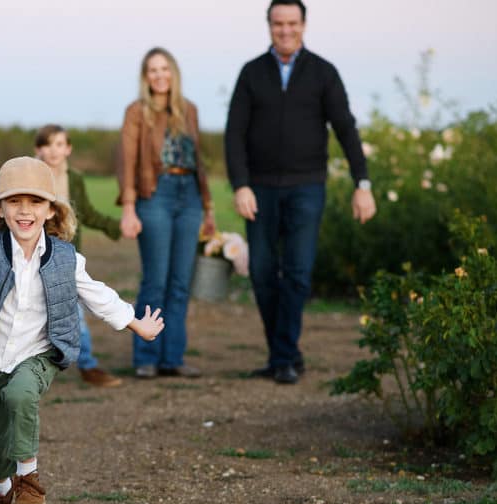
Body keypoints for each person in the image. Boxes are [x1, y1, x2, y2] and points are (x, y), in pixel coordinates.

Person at [0, 157, 164, 504]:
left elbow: (96, 294)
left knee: (22, 393)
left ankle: (30, 478)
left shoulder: (64, 258)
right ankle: (1, 491)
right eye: (15, 202)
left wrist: (135, 322)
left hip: (39, 353)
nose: (25, 211)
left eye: (35, 202)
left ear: (51, 210)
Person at [224, 0, 376, 385]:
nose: (286, 30)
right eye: (278, 24)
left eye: (292, 23)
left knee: (297, 272)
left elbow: (346, 128)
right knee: (260, 271)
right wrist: (240, 184)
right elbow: (234, 134)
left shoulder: (323, 73)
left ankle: (284, 357)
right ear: (269, 26)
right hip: (258, 189)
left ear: (304, 25)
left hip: (307, 187)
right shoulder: (251, 73)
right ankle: (285, 354)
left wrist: (363, 184)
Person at [117, 46, 216, 379]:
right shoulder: (136, 112)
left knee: (180, 283)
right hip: (154, 195)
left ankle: (172, 358)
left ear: (174, 73)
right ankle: (146, 356)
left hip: (188, 196)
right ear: (146, 77)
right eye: (153, 70)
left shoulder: (189, 110)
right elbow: (126, 161)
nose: (160, 75)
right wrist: (129, 208)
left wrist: (208, 206)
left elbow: (197, 162)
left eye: (165, 69)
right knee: (155, 281)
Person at [34, 124, 124, 388]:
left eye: (60, 144)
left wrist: (116, 227)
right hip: (32, 253)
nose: (54, 150)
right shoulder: (31, 176)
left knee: (73, 310)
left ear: (68, 149)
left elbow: (86, 213)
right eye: (48, 145)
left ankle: (87, 365)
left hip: (66, 256)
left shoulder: (75, 179)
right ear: (38, 149)